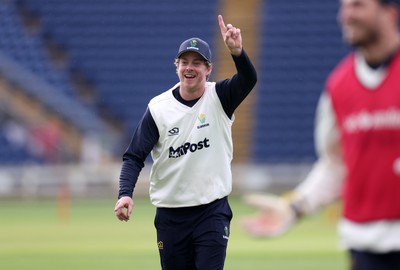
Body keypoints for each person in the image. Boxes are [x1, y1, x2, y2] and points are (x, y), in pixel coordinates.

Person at [241, 0, 400, 269]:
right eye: (344, 7)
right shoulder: (338, 86)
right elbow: (335, 165)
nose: (346, 15)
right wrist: (294, 207)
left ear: (389, 13)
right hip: (363, 244)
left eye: (358, 6)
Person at [114, 14, 257, 270]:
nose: (190, 68)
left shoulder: (220, 97)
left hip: (211, 211)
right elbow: (134, 156)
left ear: (208, 69)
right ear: (176, 65)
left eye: (198, 63)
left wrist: (237, 53)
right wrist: (125, 194)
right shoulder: (158, 108)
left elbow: (248, 80)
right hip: (171, 215)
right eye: (184, 62)